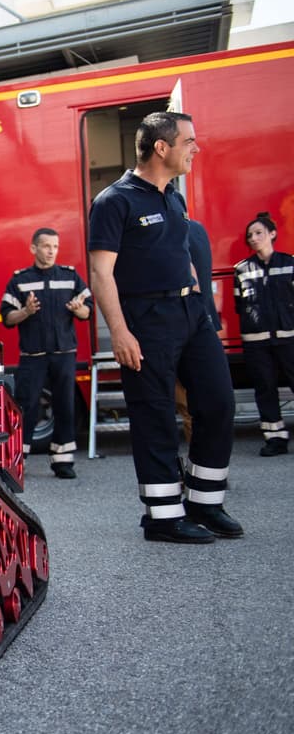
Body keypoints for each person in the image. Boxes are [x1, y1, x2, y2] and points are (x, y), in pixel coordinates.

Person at [87, 111, 242, 544]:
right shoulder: (113, 201)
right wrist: (119, 332)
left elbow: (181, 252)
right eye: (189, 141)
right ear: (162, 147)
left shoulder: (174, 197)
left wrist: (200, 301)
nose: (197, 148)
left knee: (218, 403)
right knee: (155, 416)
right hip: (147, 321)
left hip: (191, 316)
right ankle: (163, 516)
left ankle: (206, 503)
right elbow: (101, 274)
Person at [1, 228, 91, 478]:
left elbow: (88, 311)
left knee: (65, 406)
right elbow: (8, 317)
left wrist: (78, 308)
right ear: (33, 248)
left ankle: (63, 462)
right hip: (33, 356)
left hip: (64, 353)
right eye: (46, 246)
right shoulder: (20, 280)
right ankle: (18, 460)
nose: (51, 251)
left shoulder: (70, 277)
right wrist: (26, 312)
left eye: (55, 246)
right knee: (26, 407)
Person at [234, 211, 294, 456]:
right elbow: (240, 306)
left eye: (258, 233)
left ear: (272, 234)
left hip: (289, 337)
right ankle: (275, 439)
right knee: (265, 389)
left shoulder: (290, 264)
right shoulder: (241, 270)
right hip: (256, 342)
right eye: (250, 235)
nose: (253, 238)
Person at [175, 219, 223, 443]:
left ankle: (199, 465)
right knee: (204, 399)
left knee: (186, 404)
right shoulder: (198, 229)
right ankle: (209, 466)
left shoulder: (171, 230)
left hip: (183, 324)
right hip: (205, 321)